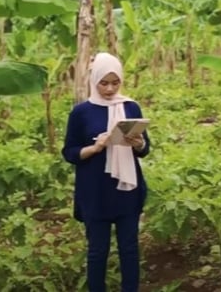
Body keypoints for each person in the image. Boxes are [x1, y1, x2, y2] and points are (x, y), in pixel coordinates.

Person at [62, 52, 150, 292]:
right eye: (104, 83)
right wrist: (95, 147)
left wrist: (138, 144)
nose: (110, 89)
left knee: (129, 248)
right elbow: (69, 152)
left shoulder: (130, 106)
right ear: (94, 80)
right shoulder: (81, 112)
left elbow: (145, 148)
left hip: (126, 189)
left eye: (115, 82)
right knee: (98, 250)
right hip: (95, 190)